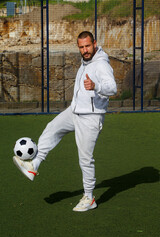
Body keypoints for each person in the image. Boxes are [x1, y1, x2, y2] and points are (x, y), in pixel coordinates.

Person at [13, 31, 117, 212]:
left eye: (88, 46)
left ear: (95, 43)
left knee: (85, 159)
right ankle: (33, 165)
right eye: (81, 47)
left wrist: (96, 86)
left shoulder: (101, 64)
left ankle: (89, 198)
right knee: (52, 128)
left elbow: (112, 88)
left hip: (91, 118)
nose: (85, 50)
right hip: (75, 112)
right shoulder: (86, 62)